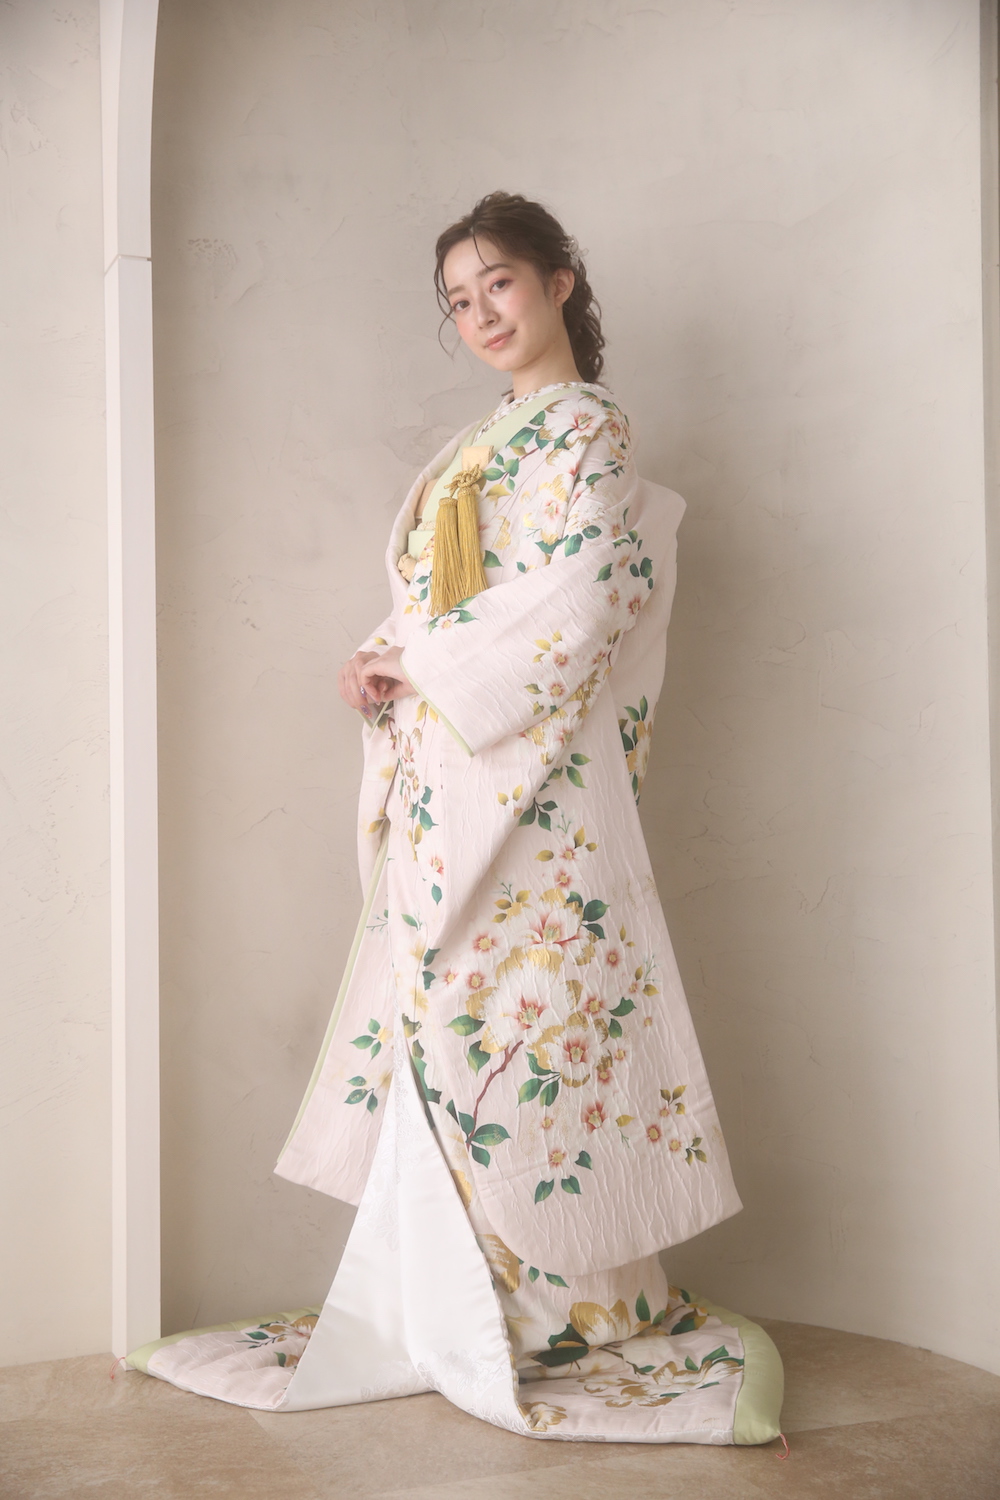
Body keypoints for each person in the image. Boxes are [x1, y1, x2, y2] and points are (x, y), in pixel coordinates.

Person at [129, 192, 784, 1446]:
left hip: (532, 782)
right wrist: (382, 656)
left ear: (558, 282)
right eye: (459, 300)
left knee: (528, 1011)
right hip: (453, 764)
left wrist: (425, 661)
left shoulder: (587, 426)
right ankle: (456, 1293)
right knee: (449, 1020)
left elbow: (581, 598)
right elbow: (443, 602)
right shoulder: (481, 443)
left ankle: (566, 1306)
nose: (481, 314)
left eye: (499, 284)